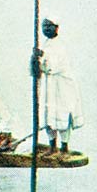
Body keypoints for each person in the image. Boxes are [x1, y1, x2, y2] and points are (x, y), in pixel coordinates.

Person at [31, 17, 84, 153]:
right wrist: (35, 60)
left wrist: (42, 56)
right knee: (49, 116)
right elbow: (39, 69)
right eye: (44, 26)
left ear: (57, 28)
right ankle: (52, 146)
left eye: (50, 26)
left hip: (62, 86)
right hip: (49, 86)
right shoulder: (45, 44)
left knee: (62, 115)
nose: (46, 29)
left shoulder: (61, 46)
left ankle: (64, 147)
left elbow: (54, 66)